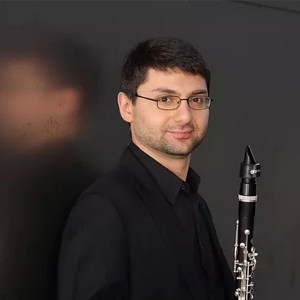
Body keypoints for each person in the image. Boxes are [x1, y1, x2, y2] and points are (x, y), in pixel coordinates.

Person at [58, 37, 235, 300]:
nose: (185, 116)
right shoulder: (102, 211)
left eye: (196, 99)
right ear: (126, 107)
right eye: (165, 98)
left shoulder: (195, 204)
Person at [0, 26, 99, 300]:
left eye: (14, 88)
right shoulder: (17, 183)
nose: (2, 101)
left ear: (65, 103)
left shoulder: (89, 201)